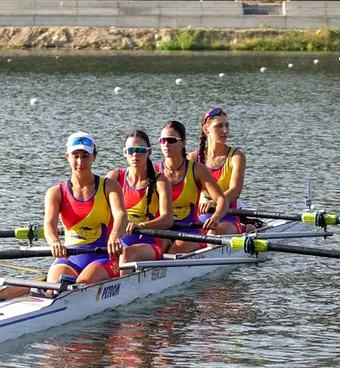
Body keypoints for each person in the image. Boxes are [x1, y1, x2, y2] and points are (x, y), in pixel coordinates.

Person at [43, 132, 126, 285]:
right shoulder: (55, 192)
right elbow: (49, 225)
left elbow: (121, 214)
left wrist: (115, 236)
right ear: (67, 156)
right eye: (75, 156)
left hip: (103, 256)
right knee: (53, 287)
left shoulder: (109, 186)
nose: (80, 162)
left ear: (94, 156)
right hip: (70, 258)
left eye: (85, 156)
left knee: (83, 283)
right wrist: (54, 242)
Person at [155, 120, 227, 254]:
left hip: (190, 231)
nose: (165, 145)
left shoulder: (197, 170)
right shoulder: (154, 171)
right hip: (163, 231)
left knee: (175, 250)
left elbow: (222, 200)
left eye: (171, 140)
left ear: (183, 142)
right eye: (162, 140)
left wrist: (216, 217)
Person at [106, 130, 173, 264]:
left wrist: (141, 225)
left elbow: (168, 219)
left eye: (140, 150)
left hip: (152, 242)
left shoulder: (160, 181)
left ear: (149, 152)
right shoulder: (114, 178)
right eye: (131, 150)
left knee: (125, 254)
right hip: (119, 241)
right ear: (125, 152)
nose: (135, 155)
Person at [191, 107, 247, 235]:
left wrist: (214, 202)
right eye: (219, 126)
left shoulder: (236, 157)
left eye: (227, 125)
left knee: (212, 233)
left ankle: (246, 228)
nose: (225, 131)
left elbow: (235, 191)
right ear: (206, 130)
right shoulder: (194, 158)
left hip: (228, 216)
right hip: (200, 217)